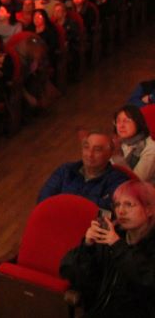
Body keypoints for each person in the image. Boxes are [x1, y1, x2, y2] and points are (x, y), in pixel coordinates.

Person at [59, 180, 155, 316]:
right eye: (117, 205)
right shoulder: (113, 236)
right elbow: (70, 274)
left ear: (149, 209)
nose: (121, 211)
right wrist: (87, 247)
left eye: (129, 205)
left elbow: (148, 279)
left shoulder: (116, 242)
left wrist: (117, 246)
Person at [38, 131, 129, 210]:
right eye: (86, 147)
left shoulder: (118, 180)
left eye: (97, 150)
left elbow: (108, 211)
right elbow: (44, 199)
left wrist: (66, 201)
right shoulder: (66, 170)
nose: (90, 154)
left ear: (109, 154)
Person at [112, 105, 155, 183]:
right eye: (118, 121)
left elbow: (136, 182)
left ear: (138, 123)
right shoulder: (120, 142)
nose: (121, 126)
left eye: (127, 121)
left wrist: (117, 155)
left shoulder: (151, 148)